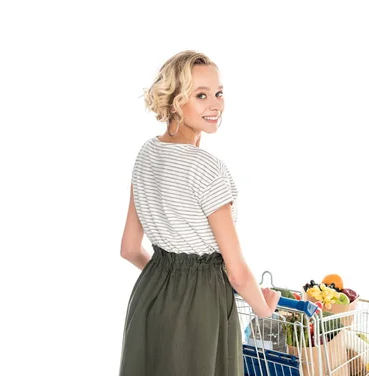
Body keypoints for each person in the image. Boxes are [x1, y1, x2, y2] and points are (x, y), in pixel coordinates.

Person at [118, 50, 281, 376]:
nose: (216, 104)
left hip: (150, 295)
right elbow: (236, 272)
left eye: (219, 93)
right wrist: (264, 309)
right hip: (201, 307)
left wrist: (169, 281)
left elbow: (129, 249)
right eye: (201, 95)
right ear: (175, 101)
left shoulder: (147, 154)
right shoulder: (207, 170)